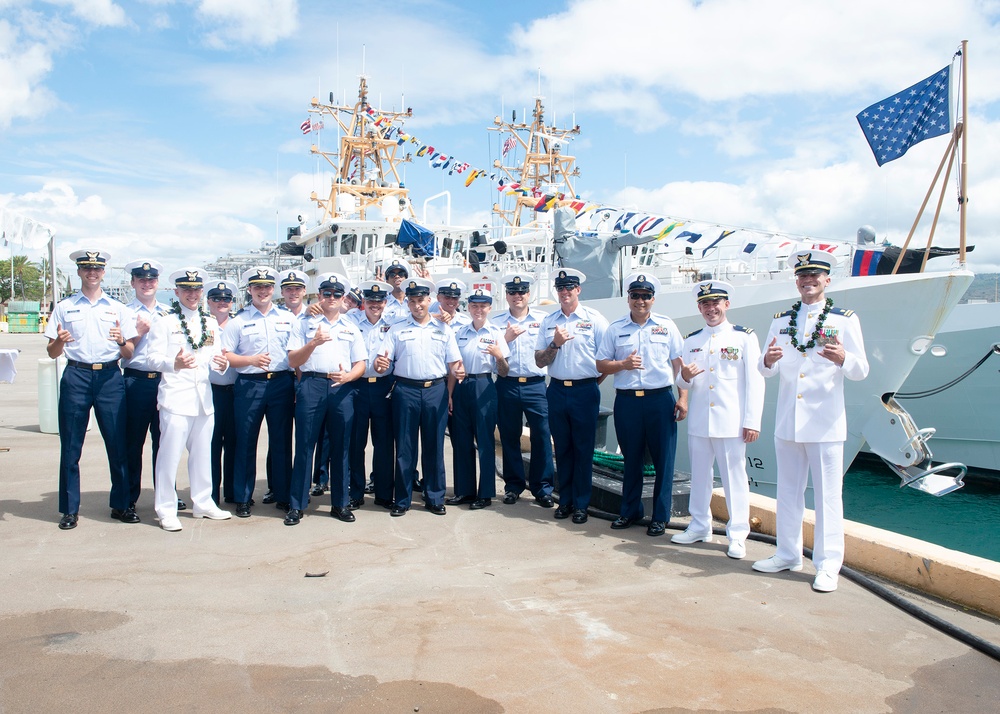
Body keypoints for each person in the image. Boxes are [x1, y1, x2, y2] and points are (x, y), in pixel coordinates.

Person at [753, 250, 869, 593]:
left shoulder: (844, 319)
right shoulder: (780, 320)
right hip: (788, 421)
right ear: (797, 281)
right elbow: (764, 369)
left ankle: (829, 564)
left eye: (815, 276)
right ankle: (787, 553)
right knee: (788, 493)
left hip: (825, 423)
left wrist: (844, 357)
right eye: (803, 276)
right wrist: (768, 359)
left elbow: (862, 371)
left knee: (828, 496)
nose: (808, 281)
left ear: (826, 280)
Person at [45, 249, 138, 530]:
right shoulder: (65, 306)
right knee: (71, 447)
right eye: (87, 269)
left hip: (110, 377)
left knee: (117, 444)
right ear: (79, 272)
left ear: (103, 272)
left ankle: (121, 505)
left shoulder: (118, 308)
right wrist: (60, 342)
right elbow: (51, 352)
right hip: (77, 375)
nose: (92, 273)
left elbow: (130, 353)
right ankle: (69, 509)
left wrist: (122, 341)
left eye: (97, 269)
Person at [672, 281, 764, 556]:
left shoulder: (743, 337)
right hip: (701, 420)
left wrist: (752, 420)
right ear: (699, 307)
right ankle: (700, 526)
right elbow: (682, 379)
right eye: (705, 304)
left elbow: (755, 382)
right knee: (700, 477)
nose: (710, 309)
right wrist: (684, 378)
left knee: (734, 478)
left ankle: (737, 535)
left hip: (732, 422)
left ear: (726, 304)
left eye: (715, 303)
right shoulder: (693, 340)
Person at [597, 273, 687, 536]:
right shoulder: (615, 329)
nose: (640, 301)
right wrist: (622, 365)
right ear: (628, 299)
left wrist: (682, 397)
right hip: (628, 402)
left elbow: (678, 365)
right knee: (632, 459)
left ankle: (660, 516)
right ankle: (630, 511)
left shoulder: (667, 326)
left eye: (645, 296)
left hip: (660, 399)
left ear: (653, 299)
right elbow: (601, 364)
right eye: (635, 296)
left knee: (664, 461)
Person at [146, 268, 232, 531]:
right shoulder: (164, 322)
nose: (192, 294)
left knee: (203, 454)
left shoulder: (210, 324)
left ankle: (203, 502)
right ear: (177, 292)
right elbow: (151, 359)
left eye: (196, 290)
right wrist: (174, 363)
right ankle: (166, 508)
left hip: (203, 399)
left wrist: (222, 365)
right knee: (169, 456)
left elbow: (218, 360)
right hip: (176, 398)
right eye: (186, 290)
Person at [377, 277, 463, 516]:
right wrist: (380, 363)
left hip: (436, 389)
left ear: (430, 301)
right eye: (412, 301)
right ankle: (402, 499)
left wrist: (452, 388)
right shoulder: (397, 329)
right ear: (408, 304)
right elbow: (382, 360)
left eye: (421, 300)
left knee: (434, 445)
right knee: (405, 447)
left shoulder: (443, 329)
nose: (417, 305)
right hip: (405, 390)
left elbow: (454, 363)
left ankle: (435, 497)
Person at [286, 272, 366, 526]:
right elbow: (292, 360)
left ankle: (340, 504)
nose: (331, 298)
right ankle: (297, 504)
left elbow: (361, 363)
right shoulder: (303, 324)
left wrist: (349, 377)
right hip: (311, 384)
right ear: (319, 295)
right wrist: (313, 343)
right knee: (305, 447)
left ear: (344, 298)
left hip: (341, 387)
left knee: (342, 447)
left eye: (336, 294)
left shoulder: (351, 327)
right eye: (326, 293)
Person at [221, 266, 297, 518]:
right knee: (245, 441)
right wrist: (250, 360)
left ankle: (284, 496)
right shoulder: (238, 321)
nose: (262, 291)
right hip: (249, 385)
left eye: (266, 287)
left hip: (281, 383)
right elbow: (227, 355)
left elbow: (298, 352)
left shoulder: (288, 318)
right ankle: (243, 497)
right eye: (257, 287)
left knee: (282, 441)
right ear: (250, 290)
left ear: (273, 290)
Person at [534, 268, 608, 524]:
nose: (565, 292)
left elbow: (605, 360)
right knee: (562, 449)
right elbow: (539, 360)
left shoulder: (595, 319)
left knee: (583, 449)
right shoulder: (548, 321)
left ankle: (581, 505)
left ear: (578, 290)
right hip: (556, 389)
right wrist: (554, 343)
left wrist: (588, 383)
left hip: (585, 390)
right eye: (560, 288)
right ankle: (564, 500)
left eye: (569, 288)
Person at [121, 259, 181, 511]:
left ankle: (167, 496)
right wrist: (137, 331)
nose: (147, 284)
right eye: (141, 280)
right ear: (133, 282)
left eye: (151, 280)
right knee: (133, 445)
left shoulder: (169, 313)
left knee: (166, 443)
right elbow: (120, 353)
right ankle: (129, 498)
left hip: (164, 381)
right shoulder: (122, 312)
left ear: (157, 283)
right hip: (135, 381)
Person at [490, 274, 554, 507]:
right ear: (506, 295)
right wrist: (506, 338)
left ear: (529, 294)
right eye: (513, 292)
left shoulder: (544, 320)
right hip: (507, 384)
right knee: (509, 436)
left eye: (522, 292)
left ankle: (542, 487)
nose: (517, 296)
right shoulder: (496, 322)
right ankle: (514, 485)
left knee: (542, 436)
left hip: (536, 385)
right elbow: (493, 351)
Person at [446, 284, 509, 509]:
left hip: (484, 385)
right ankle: (464, 491)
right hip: (462, 386)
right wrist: (450, 395)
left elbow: (504, 371)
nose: (478, 310)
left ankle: (485, 493)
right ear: (469, 307)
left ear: (490, 308)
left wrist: (499, 356)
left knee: (484, 440)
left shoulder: (495, 334)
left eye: (483, 306)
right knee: (461, 441)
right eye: (474, 305)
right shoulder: (460, 332)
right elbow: (454, 366)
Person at [348, 280, 396, 509]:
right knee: (355, 442)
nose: (374, 305)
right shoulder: (350, 321)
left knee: (384, 443)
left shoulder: (395, 324)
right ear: (363, 302)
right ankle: (355, 492)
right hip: (355, 386)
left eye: (379, 301)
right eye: (370, 301)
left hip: (383, 387)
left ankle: (384, 493)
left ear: (385, 302)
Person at [206, 279, 238, 505]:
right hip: (211, 391)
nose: (221, 303)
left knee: (235, 443)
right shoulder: (201, 325)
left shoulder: (239, 324)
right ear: (208, 301)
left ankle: (233, 492)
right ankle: (210, 493)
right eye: (216, 299)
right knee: (211, 444)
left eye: (226, 299)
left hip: (236, 391)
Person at [381, 260, 411, 324]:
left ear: (406, 279)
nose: (397, 276)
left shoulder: (415, 301)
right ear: (387, 281)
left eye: (401, 274)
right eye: (392, 275)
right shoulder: (381, 303)